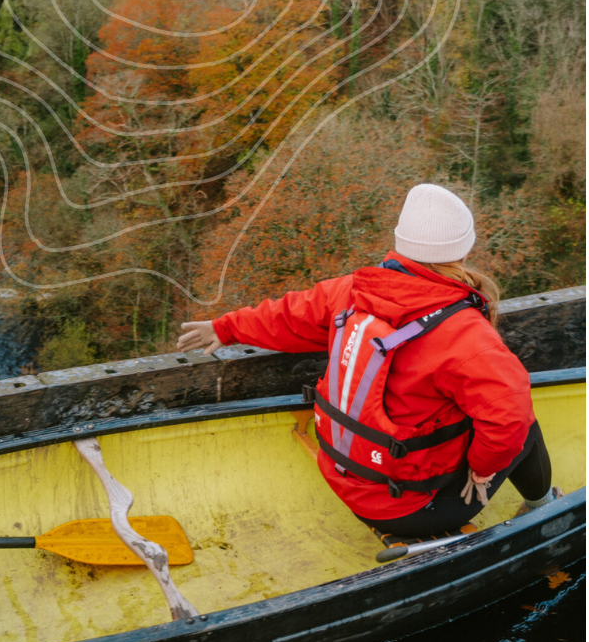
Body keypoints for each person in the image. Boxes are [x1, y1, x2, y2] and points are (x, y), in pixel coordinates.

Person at [177, 184, 562, 546]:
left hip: (341, 475)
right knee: (523, 426)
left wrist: (225, 328)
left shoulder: (355, 289)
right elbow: (508, 417)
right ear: (462, 250)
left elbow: (290, 315)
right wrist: (482, 469)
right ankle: (545, 508)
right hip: (410, 511)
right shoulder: (464, 335)